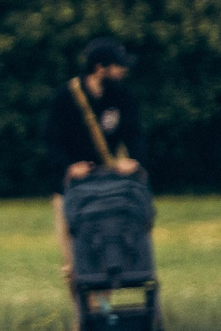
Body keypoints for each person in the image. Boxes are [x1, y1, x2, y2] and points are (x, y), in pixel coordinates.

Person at [46, 35, 147, 277]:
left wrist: (133, 160)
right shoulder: (66, 97)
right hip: (71, 188)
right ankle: (84, 313)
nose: (123, 70)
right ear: (100, 68)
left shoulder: (122, 96)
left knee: (111, 254)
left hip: (109, 185)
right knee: (75, 264)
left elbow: (135, 133)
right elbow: (51, 140)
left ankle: (104, 311)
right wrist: (69, 167)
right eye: (118, 65)